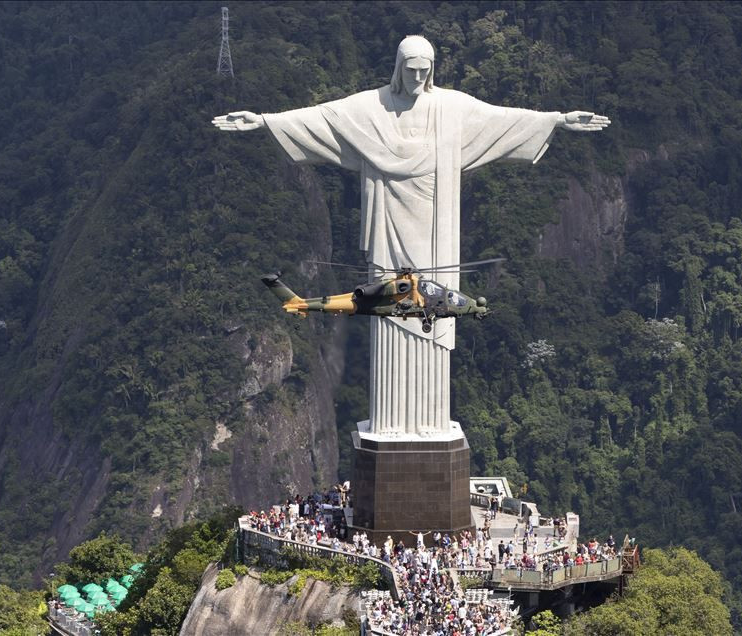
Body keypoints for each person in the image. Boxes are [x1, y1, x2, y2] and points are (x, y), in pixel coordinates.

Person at [212, 35, 609, 438]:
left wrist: (558, 120)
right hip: (390, 220)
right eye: (411, 70)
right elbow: (322, 118)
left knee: (430, 303)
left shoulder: (452, 107)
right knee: (389, 295)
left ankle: (429, 423)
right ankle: (391, 423)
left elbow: (502, 119)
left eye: (425, 70)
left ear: (433, 70)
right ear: (398, 67)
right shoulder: (371, 107)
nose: (418, 78)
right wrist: (263, 121)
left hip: (436, 222)